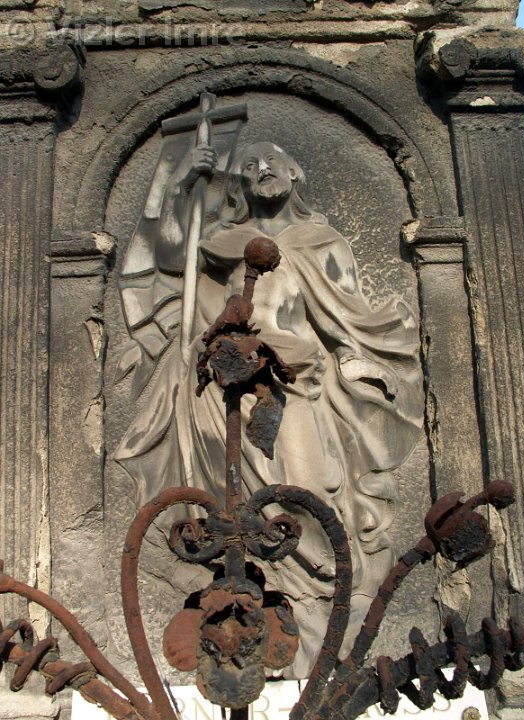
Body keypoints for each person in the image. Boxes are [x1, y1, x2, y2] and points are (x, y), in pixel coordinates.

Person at [115, 141, 424, 677]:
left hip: (292, 382)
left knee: (304, 492)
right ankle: (246, 621)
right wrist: (184, 184)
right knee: (230, 506)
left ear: (296, 172)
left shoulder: (322, 241)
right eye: (250, 166)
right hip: (223, 393)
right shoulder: (218, 243)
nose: (262, 170)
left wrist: (354, 360)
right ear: (239, 184)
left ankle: (317, 612)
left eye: (272, 161)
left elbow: (345, 314)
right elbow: (170, 259)